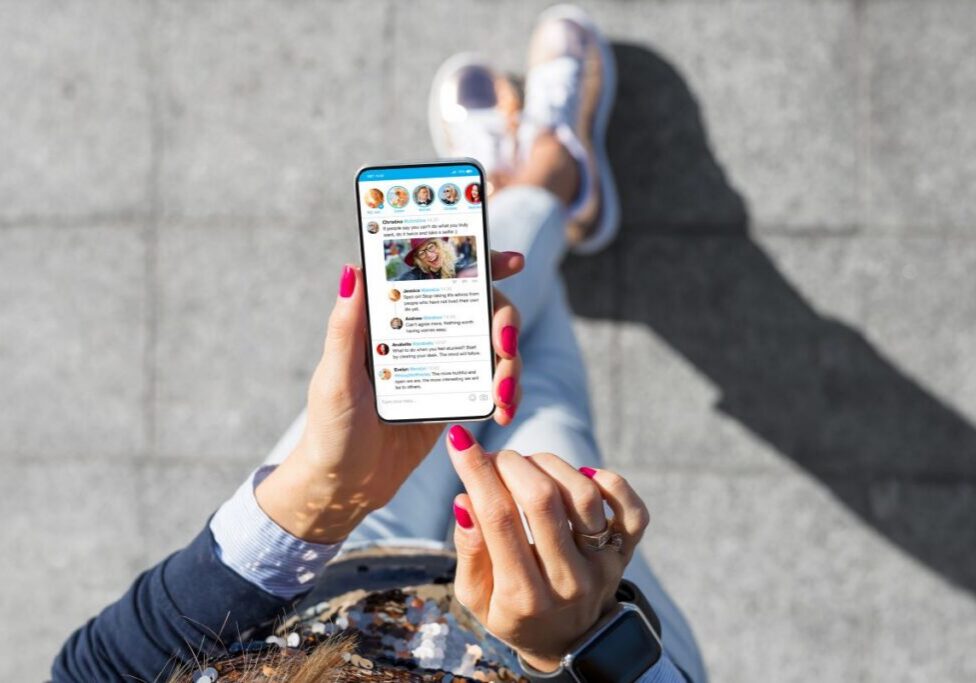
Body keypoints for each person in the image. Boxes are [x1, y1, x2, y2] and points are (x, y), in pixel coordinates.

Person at [53, 6, 706, 682]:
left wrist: (322, 490)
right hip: (544, 619)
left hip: (331, 569)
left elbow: (93, 670)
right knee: (550, 422)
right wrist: (568, 646)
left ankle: (536, 184)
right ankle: (546, 178)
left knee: (496, 333)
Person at [395, 236, 473, 281]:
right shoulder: (413, 277)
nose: (428, 254)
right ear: (419, 260)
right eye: (421, 253)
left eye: (431, 247)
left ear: (440, 246)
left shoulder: (459, 269)